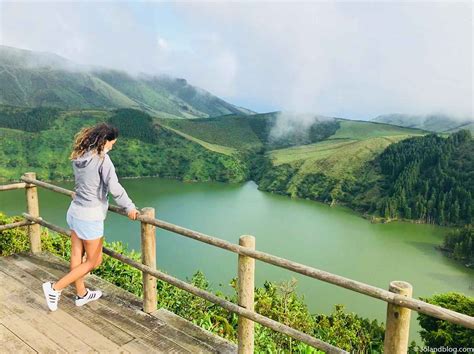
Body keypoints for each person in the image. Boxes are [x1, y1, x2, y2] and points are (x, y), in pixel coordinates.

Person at [42, 123, 139, 311]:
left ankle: (82, 294)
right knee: (94, 261)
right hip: (90, 215)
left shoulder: (80, 155)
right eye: (112, 143)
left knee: (77, 255)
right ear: (104, 141)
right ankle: (55, 288)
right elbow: (115, 187)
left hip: (75, 210)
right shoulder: (103, 160)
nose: (112, 146)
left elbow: (83, 183)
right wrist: (130, 207)